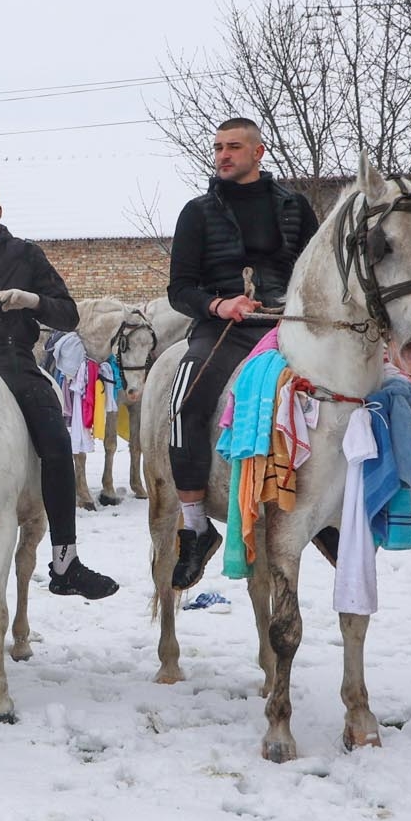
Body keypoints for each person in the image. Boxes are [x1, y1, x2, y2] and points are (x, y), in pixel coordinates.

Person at [162, 118, 321, 589]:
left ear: (259, 152)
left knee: (351, 394)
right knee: (185, 401)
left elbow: (313, 272)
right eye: (218, 148)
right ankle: (194, 526)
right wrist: (220, 303)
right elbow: (179, 289)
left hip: (288, 327)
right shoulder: (197, 211)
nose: (223, 155)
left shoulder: (295, 208)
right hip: (222, 329)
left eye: (234, 147)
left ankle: (331, 513)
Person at [0, 177, 119, 599]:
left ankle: (66, 560)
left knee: (57, 442)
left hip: (13, 362)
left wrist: (32, 301)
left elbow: (68, 314)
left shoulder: (26, 254)